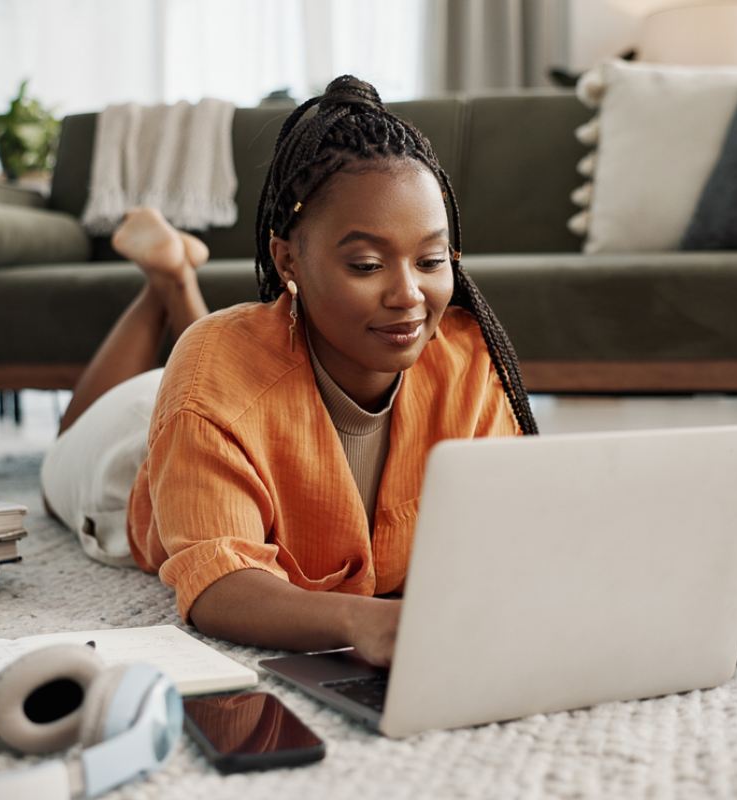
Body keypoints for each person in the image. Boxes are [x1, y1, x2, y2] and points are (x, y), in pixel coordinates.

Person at [41, 75, 538, 667]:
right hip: (127, 457)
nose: (409, 295)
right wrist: (360, 619)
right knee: (70, 442)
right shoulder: (211, 378)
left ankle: (175, 278)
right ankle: (167, 285)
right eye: (367, 264)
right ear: (287, 259)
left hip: (221, 392)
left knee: (211, 361)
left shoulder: (468, 361)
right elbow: (218, 580)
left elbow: (512, 526)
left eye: (431, 259)